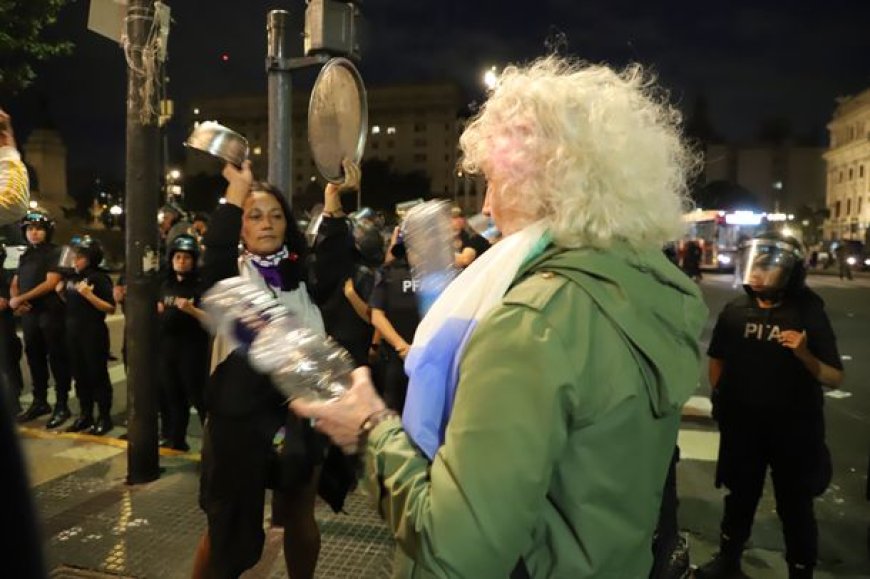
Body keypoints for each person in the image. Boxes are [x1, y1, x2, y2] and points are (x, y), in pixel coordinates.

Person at [290, 56, 707, 577]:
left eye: (491, 179)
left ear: (542, 180)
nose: (487, 200)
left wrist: (371, 428)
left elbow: (455, 546)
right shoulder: (645, 286)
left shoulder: (532, 322)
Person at [192, 159, 360, 579]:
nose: (266, 223)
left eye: (275, 215)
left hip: (301, 414)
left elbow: (338, 263)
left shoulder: (303, 274)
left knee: (299, 515)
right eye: (254, 216)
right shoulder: (230, 277)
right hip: (241, 421)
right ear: (241, 228)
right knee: (227, 528)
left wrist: (334, 203)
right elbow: (212, 260)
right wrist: (235, 194)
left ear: (287, 223)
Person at [697, 231, 843, 579]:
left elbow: (834, 376)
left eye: (768, 267)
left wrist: (804, 354)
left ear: (790, 272)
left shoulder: (808, 311)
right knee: (740, 497)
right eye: (756, 264)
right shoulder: (736, 310)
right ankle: (729, 560)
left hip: (795, 432)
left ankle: (800, 570)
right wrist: (725, 398)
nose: (759, 274)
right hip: (744, 429)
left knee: (795, 505)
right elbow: (717, 360)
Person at [11, 208, 72, 428]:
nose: (34, 233)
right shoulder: (25, 254)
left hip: (51, 313)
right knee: (34, 357)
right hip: (30, 315)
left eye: (38, 229)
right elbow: (16, 281)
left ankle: (62, 404)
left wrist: (21, 299)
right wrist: (15, 299)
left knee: (57, 358)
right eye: (30, 229)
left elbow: (51, 282)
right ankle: (40, 401)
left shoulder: (58, 252)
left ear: (47, 231)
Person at [57, 236, 116, 435]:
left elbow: (110, 308)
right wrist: (62, 294)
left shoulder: (98, 278)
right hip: (73, 332)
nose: (74, 260)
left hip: (93, 333)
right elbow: (74, 305)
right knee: (80, 376)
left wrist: (90, 295)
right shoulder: (73, 278)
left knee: (97, 375)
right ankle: (85, 415)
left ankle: (104, 417)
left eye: (79, 257)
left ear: (90, 258)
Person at [157, 234, 209, 451]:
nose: (181, 261)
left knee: (197, 396)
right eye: (177, 257)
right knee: (171, 394)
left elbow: (211, 319)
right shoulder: (164, 283)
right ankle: (176, 438)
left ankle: (212, 442)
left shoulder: (200, 286)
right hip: (167, 347)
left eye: (186, 258)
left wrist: (192, 310)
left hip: (192, 349)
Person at [368, 226, 420, 413]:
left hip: (431, 358)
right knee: (394, 412)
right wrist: (402, 346)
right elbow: (377, 315)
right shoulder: (388, 272)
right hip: (397, 359)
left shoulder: (440, 273)